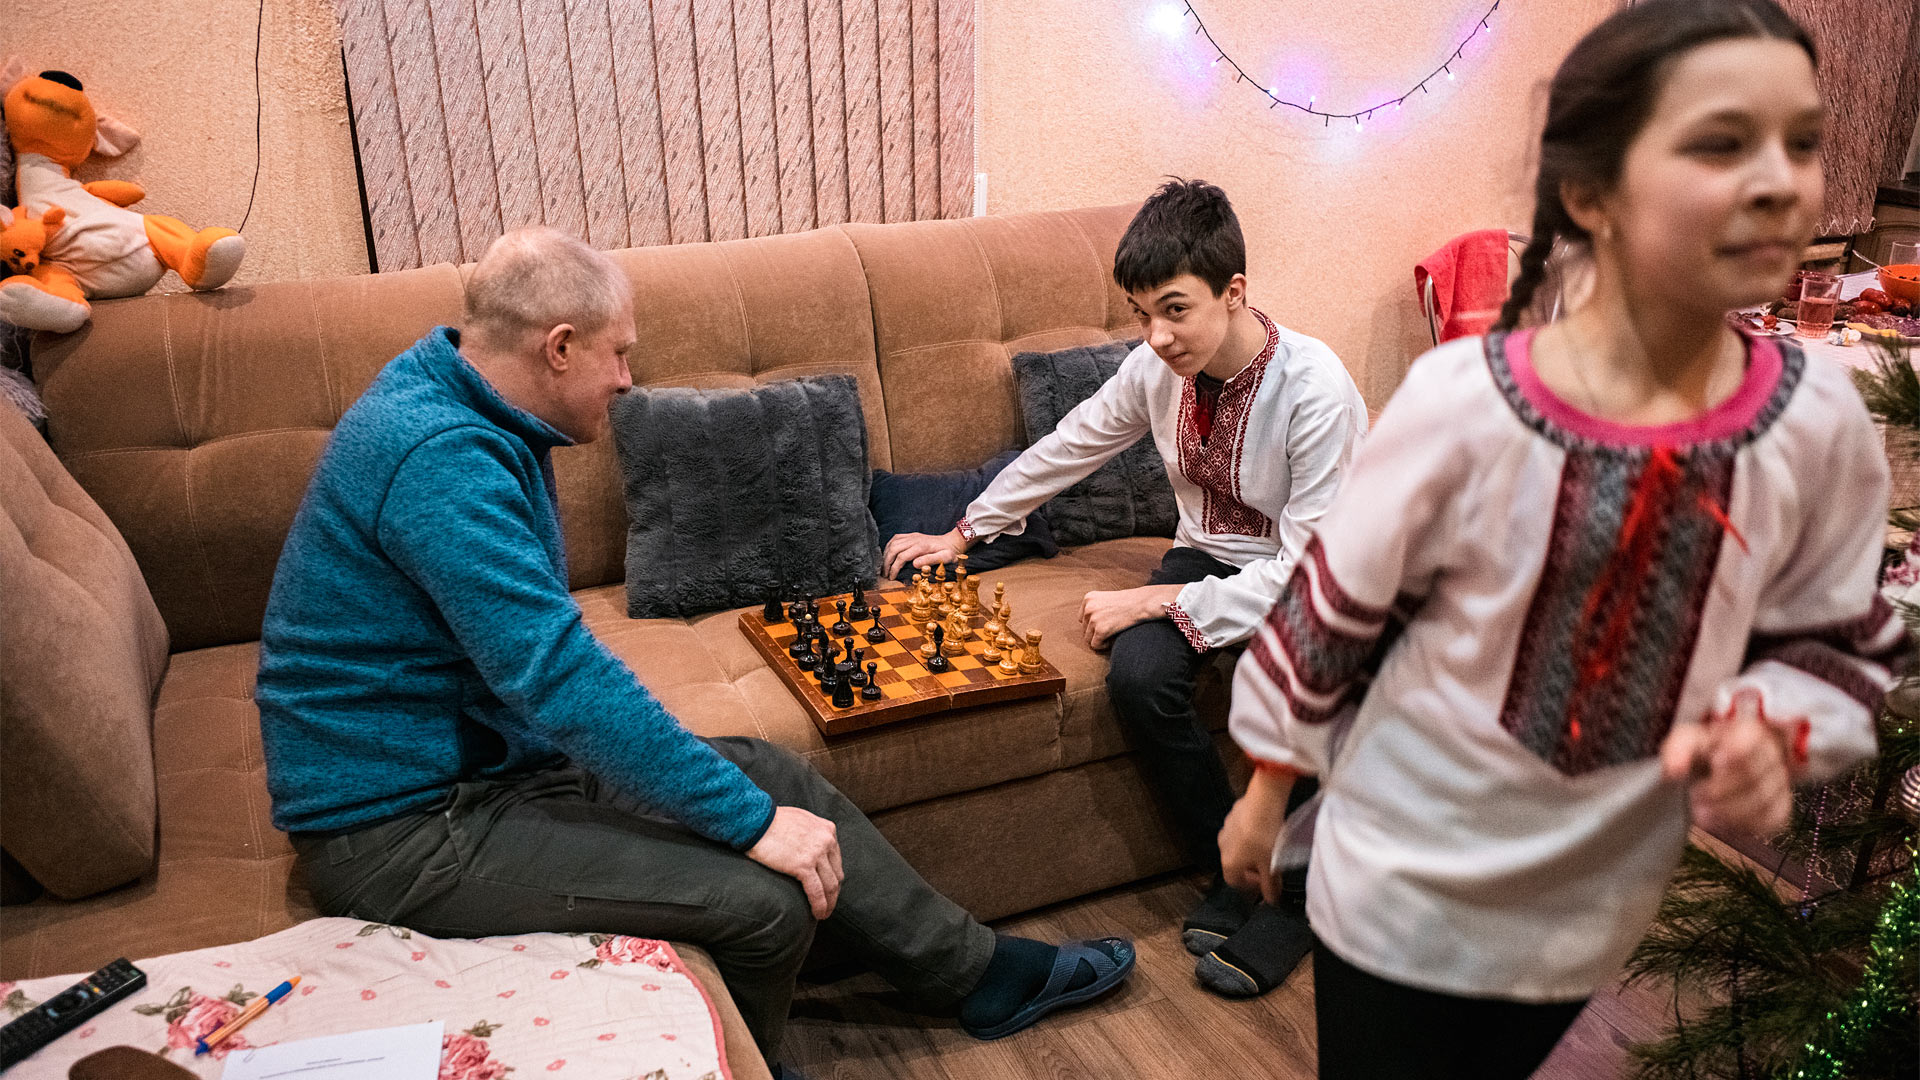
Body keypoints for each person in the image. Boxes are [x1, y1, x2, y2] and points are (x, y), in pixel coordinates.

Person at [255, 228, 1134, 1074]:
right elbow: (555, 677)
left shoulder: (462, 392)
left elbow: (534, 668)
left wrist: (752, 806)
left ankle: (974, 977)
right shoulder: (442, 457)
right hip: (401, 827)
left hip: (490, 770)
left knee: (771, 771)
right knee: (765, 906)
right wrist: (751, 831)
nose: (629, 380)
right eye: (619, 353)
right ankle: (736, 1069)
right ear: (559, 346)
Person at [1216, 2, 1904, 1077]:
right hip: (1401, 891)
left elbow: (1838, 627)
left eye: (1803, 142)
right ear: (1592, 193)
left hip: (1588, 909)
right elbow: (1332, 610)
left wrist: (1778, 728)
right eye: (1722, 142)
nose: (1781, 179)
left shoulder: (1818, 424)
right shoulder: (1462, 406)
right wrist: (1265, 793)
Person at [883, 179, 1368, 998]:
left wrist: (1154, 601)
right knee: (1139, 679)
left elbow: (1308, 571)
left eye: (1175, 309)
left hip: (1312, 581)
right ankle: (1235, 864)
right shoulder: (1156, 370)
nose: (1156, 335)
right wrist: (965, 532)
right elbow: (1073, 443)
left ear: (1233, 291)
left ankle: (1302, 901)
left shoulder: (1314, 388)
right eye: (1142, 313)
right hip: (1206, 555)